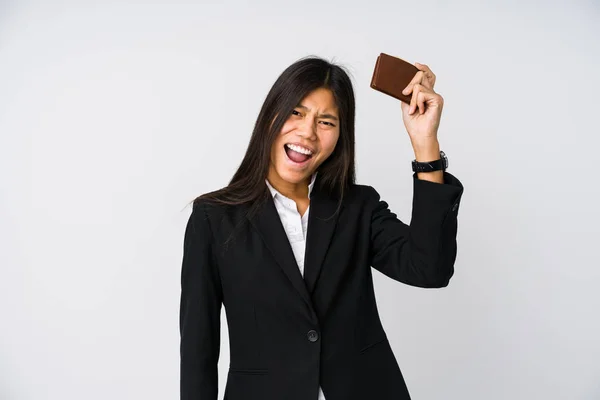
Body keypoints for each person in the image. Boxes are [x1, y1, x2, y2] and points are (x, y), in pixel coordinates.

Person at [180, 55, 464, 400]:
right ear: (270, 115)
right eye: (296, 112)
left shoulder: (357, 207)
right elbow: (198, 349)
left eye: (326, 121)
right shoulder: (213, 218)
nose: (308, 132)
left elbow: (429, 269)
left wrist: (425, 145)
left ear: (341, 136)